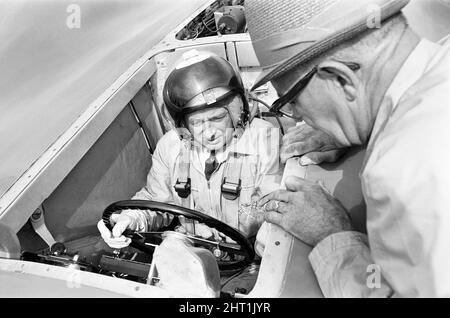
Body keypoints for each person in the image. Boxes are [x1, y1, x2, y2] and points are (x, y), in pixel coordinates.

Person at [245, 0, 450, 297]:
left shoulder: (403, 174)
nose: (297, 116)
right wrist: (355, 126)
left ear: (340, 79)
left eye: (291, 99)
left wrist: (332, 234)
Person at [97, 49, 280, 293]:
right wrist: (130, 218)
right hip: (187, 251)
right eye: (197, 123)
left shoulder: (264, 140)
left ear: (238, 112)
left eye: (217, 118)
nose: (210, 132)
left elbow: (276, 212)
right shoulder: (171, 147)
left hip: (249, 261)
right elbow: (154, 199)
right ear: (182, 124)